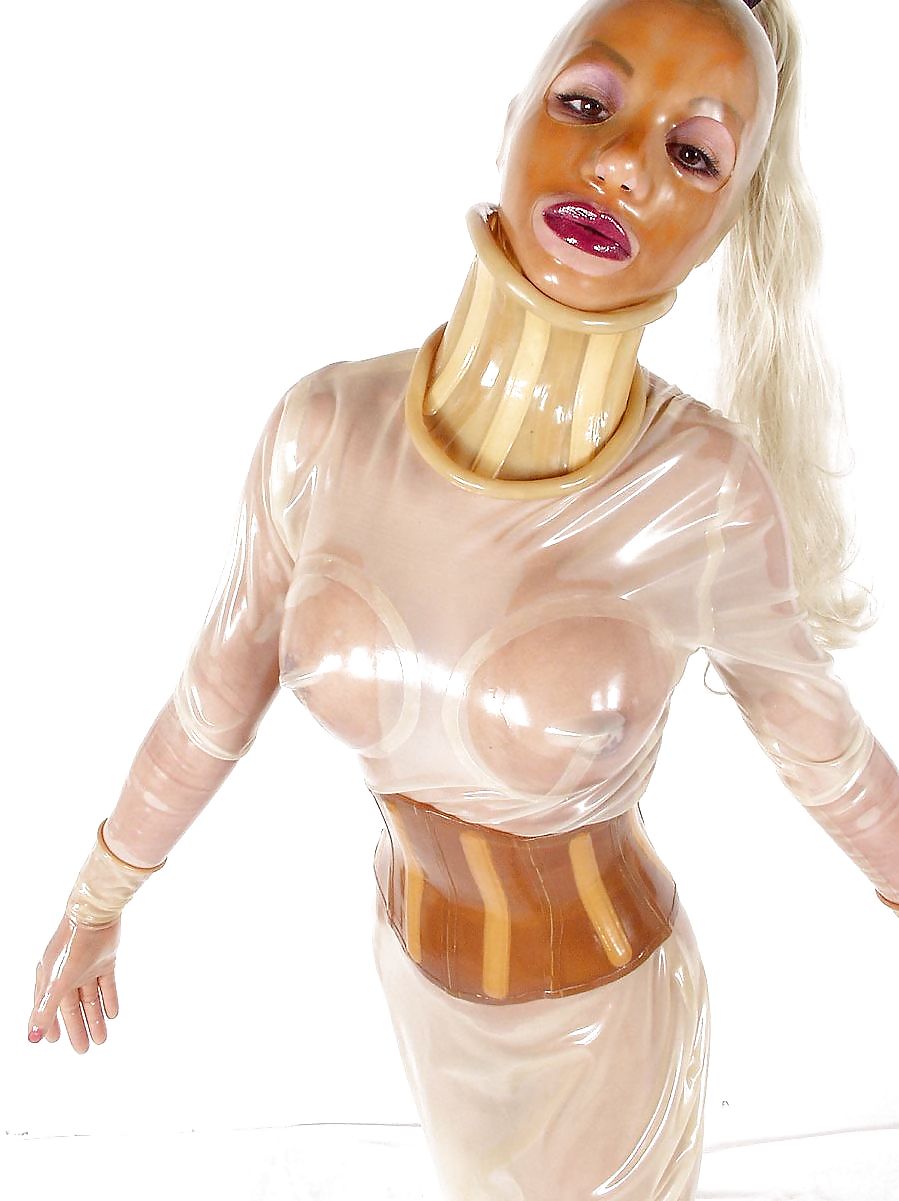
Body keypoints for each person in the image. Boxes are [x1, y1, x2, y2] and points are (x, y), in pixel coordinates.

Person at [27, 0, 899, 1197]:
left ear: (725, 222)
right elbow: (214, 695)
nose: (620, 165)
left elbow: (824, 749)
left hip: (605, 1022)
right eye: (585, 103)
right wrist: (100, 894)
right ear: (510, 120)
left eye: (692, 155)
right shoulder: (324, 429)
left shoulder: (699, 491)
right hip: (413, 982)